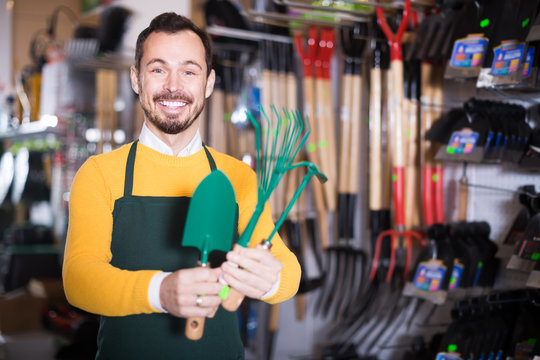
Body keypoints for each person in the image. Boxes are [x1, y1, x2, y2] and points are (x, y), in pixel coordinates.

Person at [62, 12, 301, 359]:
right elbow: (79, 280)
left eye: (189, 71)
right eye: (158, 69)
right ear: (136, 79)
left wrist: (270, 281)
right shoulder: (100, 173)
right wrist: (161, 291)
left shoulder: (237, 177)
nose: (173, 85)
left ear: (208, 83)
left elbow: (288, 271)